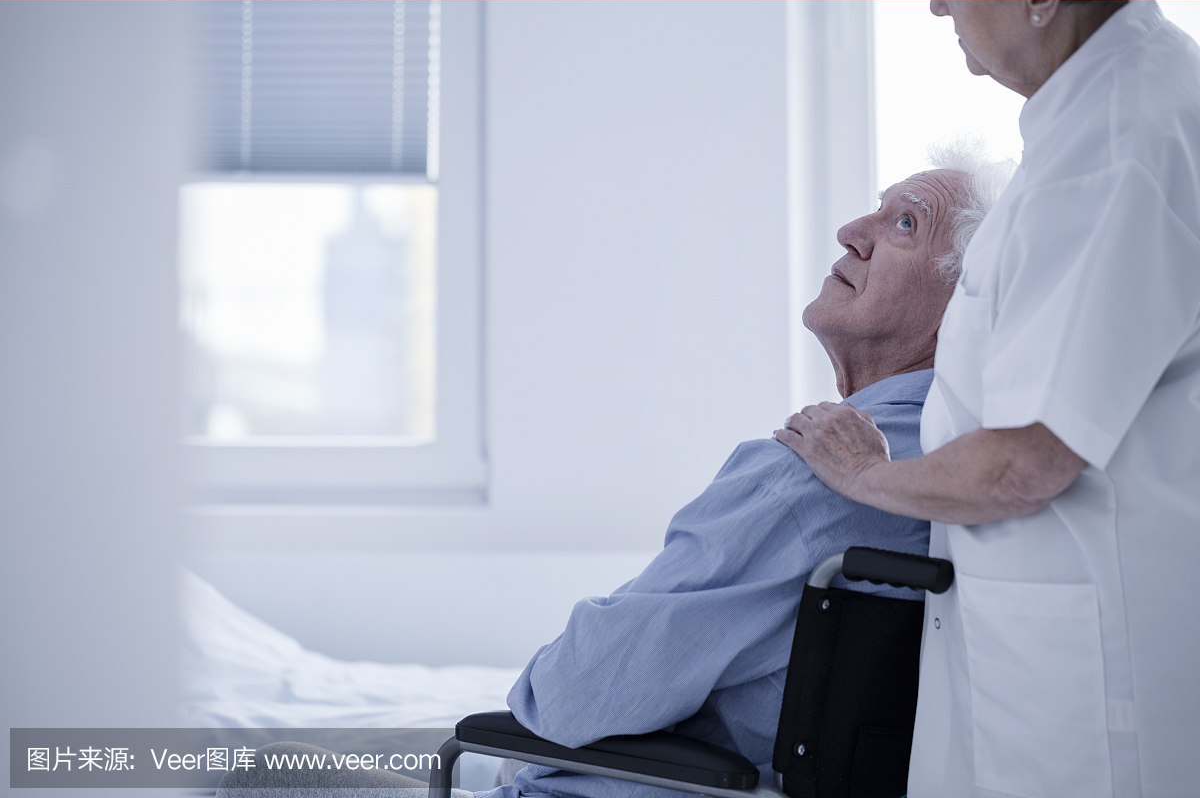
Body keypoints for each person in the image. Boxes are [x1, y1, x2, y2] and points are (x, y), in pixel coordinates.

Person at [216, 158, 1009, 798]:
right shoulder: (957, 468)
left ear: (962, 305)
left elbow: (567, 698)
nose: (853, 231)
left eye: (906, 223)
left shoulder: (813, 473)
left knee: (265, 772)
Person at [776, 1, 1200, 796]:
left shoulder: (1118, 142)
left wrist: (866, 474)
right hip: (1040, 648)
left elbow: (1024, 461)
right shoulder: (1100, 119)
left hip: (1089, 683)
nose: (936, 3)